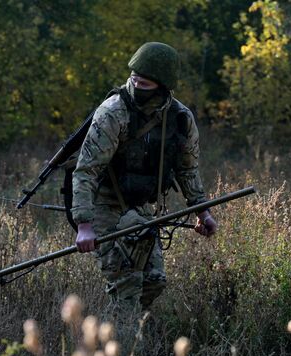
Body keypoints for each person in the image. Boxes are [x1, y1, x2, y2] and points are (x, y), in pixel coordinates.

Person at [71, 42, 217, 312]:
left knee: (153, 282)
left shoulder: (181, 119)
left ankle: (120, 333)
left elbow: (188, 169)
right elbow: (86, 170)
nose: (137, 87)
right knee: (126, 283)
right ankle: (119, 347)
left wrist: (202, 212)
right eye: (134, 80)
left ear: (163, 87)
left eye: (146, 85)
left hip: (140, 207)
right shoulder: (113, 112)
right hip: (105, 204)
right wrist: (84, 225)